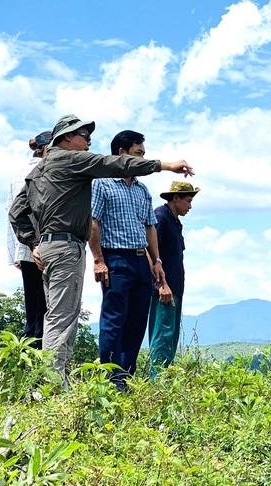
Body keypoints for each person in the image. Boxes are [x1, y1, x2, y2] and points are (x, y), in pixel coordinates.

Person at [9, 114, 194, 387]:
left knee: (56, 316)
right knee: (64, 319)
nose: (88, 143)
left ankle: (72, 379)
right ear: (68, 137)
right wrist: (166, 165)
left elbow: (17, 212)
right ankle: (54, 385)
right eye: (84, 136)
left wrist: (35, 242)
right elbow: (111, 164)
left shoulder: (39, 169)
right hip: (69, 248)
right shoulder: (72, 160)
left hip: (51, 248)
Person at [89, 130, 166, 388]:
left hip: (140, 261)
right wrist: (99, 260)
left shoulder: (143, 190)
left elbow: (150, 227)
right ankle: (111, 380)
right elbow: (93, 223)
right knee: (113, 321)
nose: (143, 159)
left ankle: (127, 378)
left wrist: (156, 262)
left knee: (136, 322)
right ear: (121, 153)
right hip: (116, 259)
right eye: (138, 154)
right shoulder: (102, 184)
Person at [148, 180, 199, 377]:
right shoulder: (160, 217)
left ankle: (165, 381)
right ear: (175, 198)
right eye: (187, 200)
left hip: (175, 288)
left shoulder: (175, 221)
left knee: (170, 338)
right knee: (162, 336)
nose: (190, 206)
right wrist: (162, 284)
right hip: (165, 289)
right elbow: (151, 253)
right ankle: (157, 382)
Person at [6, 130, 50, 348]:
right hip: (44, 245)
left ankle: (25, 360)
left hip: (24, 248)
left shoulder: (17, 173)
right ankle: (39, 363)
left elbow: (11, 213)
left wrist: (14, 251)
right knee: (46, 309)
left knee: (32, 309)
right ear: (45, 149)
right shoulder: (42, 170)